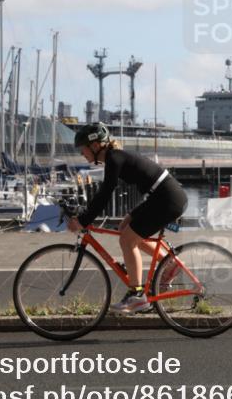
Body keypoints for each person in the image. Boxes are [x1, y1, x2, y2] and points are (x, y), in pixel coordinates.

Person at [67, 122, 188, 314]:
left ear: (95, 146)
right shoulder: (115, 158)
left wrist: (83, 220)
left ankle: (137, 295)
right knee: (126, 230)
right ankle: (169, 264)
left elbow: (105, 194)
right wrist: (131, 215)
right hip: (162, 195)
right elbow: (147, 185)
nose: (82, 154)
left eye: (83, 149)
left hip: (166, 198)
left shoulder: (114, 158)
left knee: (127, 240)